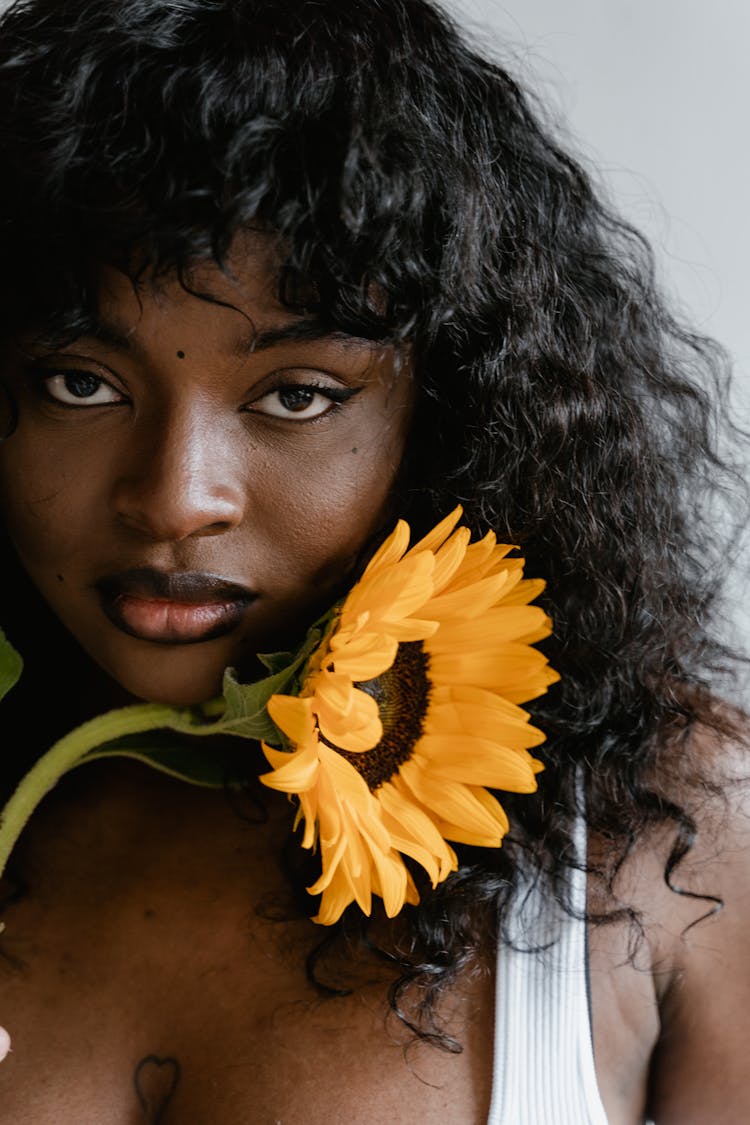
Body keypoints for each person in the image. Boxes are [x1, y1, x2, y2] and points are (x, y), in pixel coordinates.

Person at [0, 0, 747, 1121]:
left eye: (297, 395)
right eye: (78, 382)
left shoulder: (665, 830)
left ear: (452, 413)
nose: (173, 499)